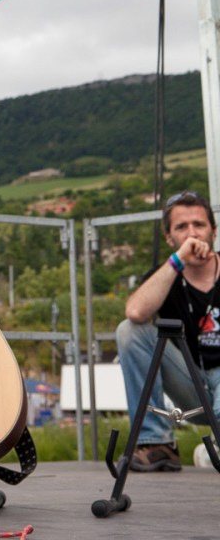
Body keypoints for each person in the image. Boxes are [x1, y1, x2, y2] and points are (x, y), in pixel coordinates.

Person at [116, 189, 220, 472]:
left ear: (213, 231)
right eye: (181, 227)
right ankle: (157, 442)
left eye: (199, 225)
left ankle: (211, 450)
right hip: (191, 382)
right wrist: (178, 261)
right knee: (130, 331)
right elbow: (135, 312)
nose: (192, 233)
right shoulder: (165, 274)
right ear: (169, 238)